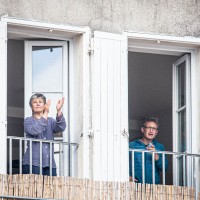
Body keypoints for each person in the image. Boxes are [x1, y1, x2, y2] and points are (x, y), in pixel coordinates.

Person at [22, 93, 66, 176]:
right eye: (35, 102)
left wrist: (59, 111)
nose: (38, 103)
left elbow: (61, 127)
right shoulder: (28, 121)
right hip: (33, 162)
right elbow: (36, 130)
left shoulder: (51, 121)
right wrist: (46, 112)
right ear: (31, 106)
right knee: (33, 188)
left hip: (49, 163)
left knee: (51, 188)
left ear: (44, 105)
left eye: (40, 101)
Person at [129, 117, 168, 184]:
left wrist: (156, 156)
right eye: (149, 127)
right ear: (143, 129)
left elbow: (165, 168)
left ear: (156, 132)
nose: (151, 131)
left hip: (154, 187)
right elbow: (121, 163)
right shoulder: (131, 145)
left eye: (154, 129)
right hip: (135, 186)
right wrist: (127, 177)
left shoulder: (159, 147)